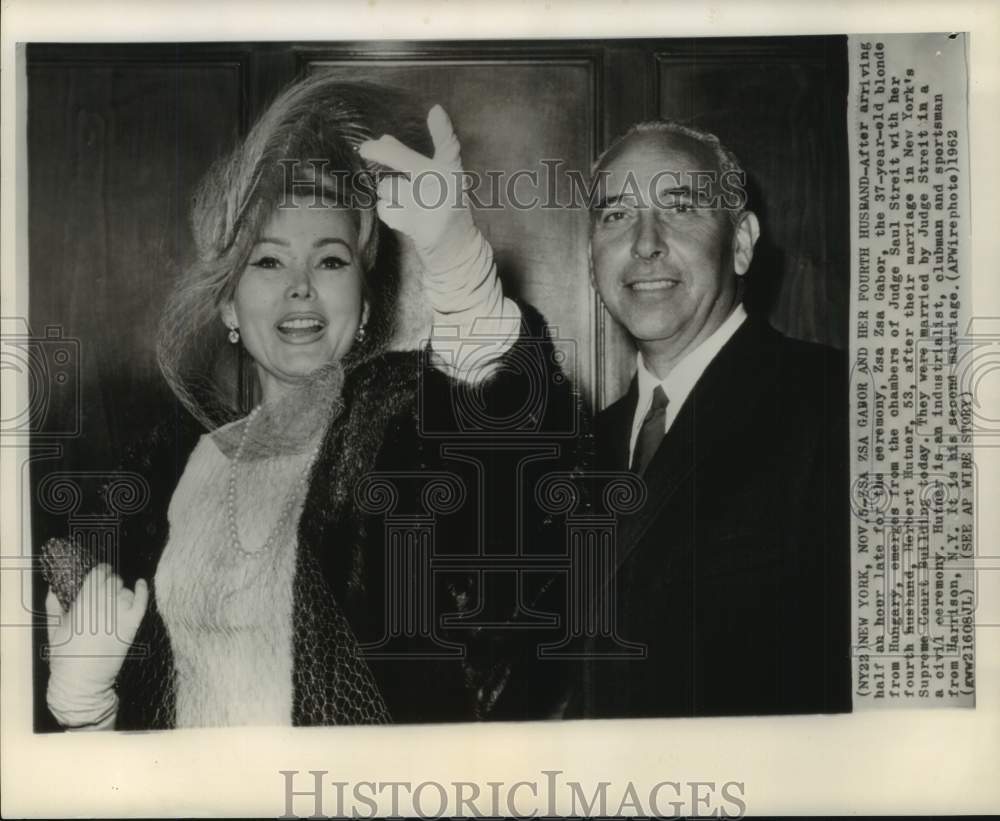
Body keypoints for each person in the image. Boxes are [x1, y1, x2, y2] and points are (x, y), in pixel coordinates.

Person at [43, 75, 579, 730]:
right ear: (227, 303)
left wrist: (458, 263)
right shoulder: (162, 477)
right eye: (268, 263)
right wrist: (88, 709)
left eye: (329, 261)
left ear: (365, 301)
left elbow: (514, 436)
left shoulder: (403, 430)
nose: (300, 289)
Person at [581, 120, 851, 717]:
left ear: (742, 241)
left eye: (679, 208)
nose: (645, 242)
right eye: (616, 216)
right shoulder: (583, 446)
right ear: (592, 253)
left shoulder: (839, 405)